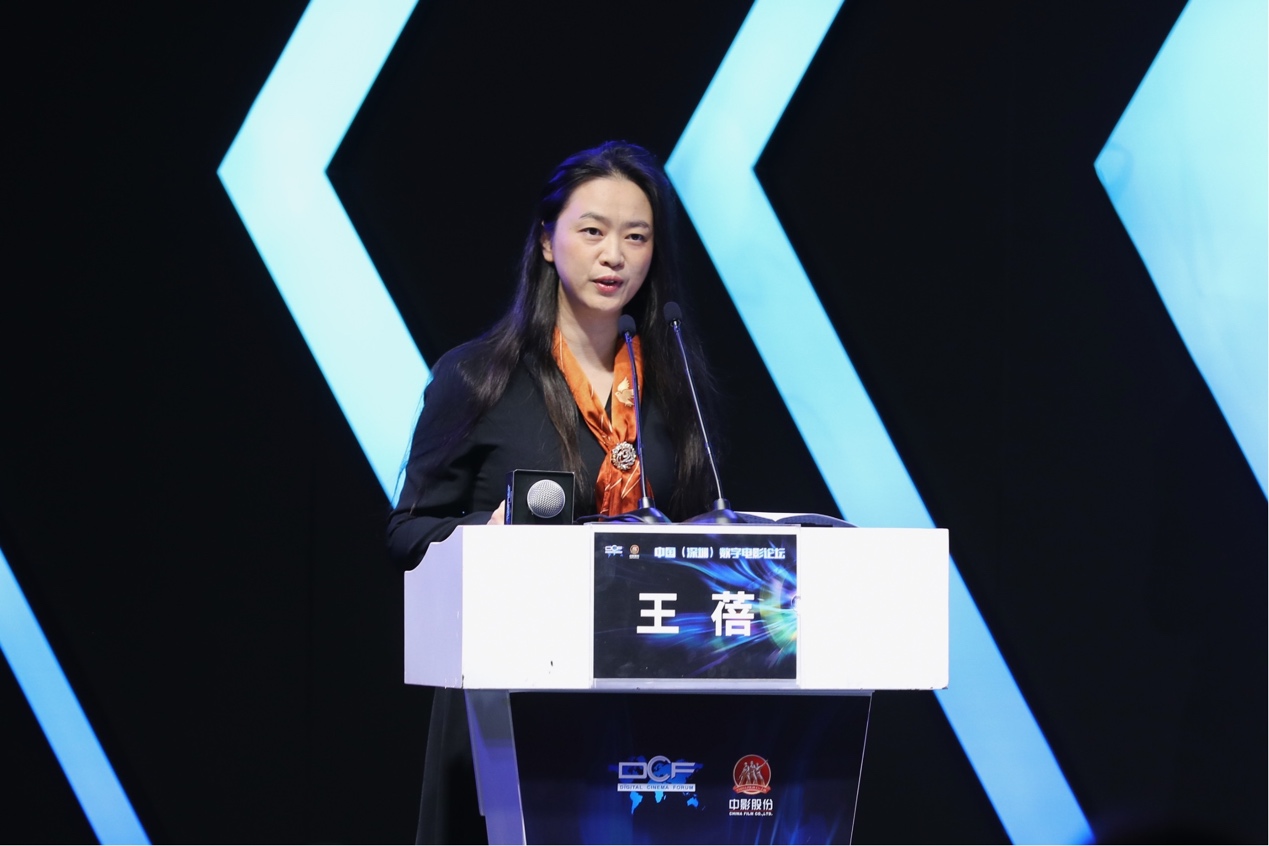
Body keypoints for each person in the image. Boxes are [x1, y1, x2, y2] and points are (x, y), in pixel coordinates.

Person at [386, 141, 720, 843]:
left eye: (636, 237)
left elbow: (700, 530)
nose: (614, 256)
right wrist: (483, 536)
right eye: (592, 231)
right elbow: (407, 532)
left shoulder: (672, 384)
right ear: (546, 242)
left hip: (640, 695)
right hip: (506, 689)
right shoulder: (478, 378)